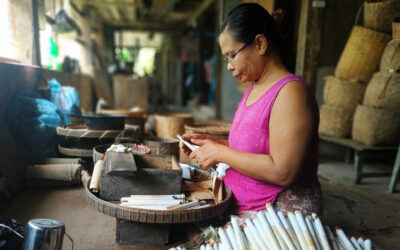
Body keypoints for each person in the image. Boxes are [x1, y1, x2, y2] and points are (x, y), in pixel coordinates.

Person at [180, 3, 321, 217]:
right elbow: (256, 149)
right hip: (244, 199)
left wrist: (221, 152)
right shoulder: (253, 88)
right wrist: (213, 146)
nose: (228, 65)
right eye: (226, 58)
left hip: (274, 211)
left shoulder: (291, 93)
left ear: (260, 44)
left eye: (232, 55)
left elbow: (282, 172)